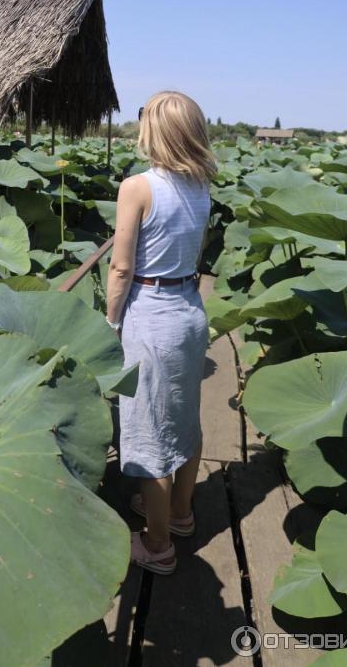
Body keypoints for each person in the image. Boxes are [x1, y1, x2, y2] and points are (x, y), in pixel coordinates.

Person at [106, 90, 215, 574]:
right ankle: (181, 515)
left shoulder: (137, 187)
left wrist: (110, 321)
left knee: (148, 428)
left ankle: (157, 545)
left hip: (150, 314)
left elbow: (120, 267)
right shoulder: (202, 186)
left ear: (156, 130)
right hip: (190, 310)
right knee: (185, 416)